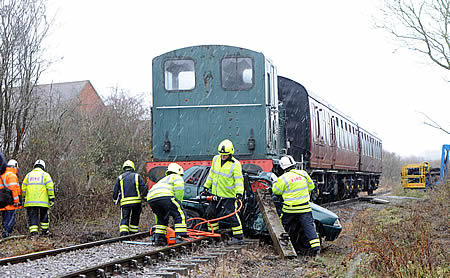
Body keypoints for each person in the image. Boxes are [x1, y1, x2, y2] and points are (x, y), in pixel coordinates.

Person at [272, 155, 320, 256]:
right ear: (294, 164)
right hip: (304, 208)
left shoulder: (283, 178)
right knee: (310, 228)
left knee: (284, 227)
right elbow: (311, 186)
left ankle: (282, 246)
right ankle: (316, 249)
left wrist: (275, 183)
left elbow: (276, 191)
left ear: (283, 167)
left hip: (289, 210)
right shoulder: (303, 174)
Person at [202, 139, 245, 245]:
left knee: (231, 214)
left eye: (225, 155)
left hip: (229, 196)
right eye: (221, 154)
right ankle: (214, 234)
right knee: (210, 213)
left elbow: (239, 180)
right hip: (216, 194)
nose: (222, 156)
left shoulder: (235, 164)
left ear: (230, 154)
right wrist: (206, 187)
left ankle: (238, 237)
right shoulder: (215, 159)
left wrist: (239, 193)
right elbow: (211, 174)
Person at [147, 163, 187, 246]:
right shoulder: (177, 177)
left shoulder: (163, 180)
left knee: (162, 218)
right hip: (165, 196)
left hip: (151, 198)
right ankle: (179, 237)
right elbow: (179, 190)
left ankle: (159, 238)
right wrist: (178, 204)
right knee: (180, 214)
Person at [113, 160, 147, 236]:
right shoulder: (137, 176)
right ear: (133, 168)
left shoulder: (120, 178)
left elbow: (115, 190)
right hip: (136, 202)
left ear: (124, 168)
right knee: (135, 217)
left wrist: (115, 200)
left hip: (125, 203)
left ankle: (123, 234)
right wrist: (145, 198)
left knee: (124, 217)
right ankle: (133, 233)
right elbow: (143, 188)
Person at [22, 159, 55, 237]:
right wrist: (51, 198)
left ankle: (34, 233)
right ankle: (44, 232)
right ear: (43, 166)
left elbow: (23, 188)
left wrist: (24, 198)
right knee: (44, 215)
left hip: (30, 201)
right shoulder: (45, 175)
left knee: (32, 216)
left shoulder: (28, 175)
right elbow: (50, 187)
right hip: (43, 201)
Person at [0, 159, 20, 238]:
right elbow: (13, 189)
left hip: (2, 202)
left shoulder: (2, 174)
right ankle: (6, 235)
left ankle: (5, 234)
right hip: (10, 202)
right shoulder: (11, 175)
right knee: (10, 219)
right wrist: (16, 201)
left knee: (5, 220)